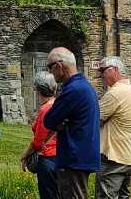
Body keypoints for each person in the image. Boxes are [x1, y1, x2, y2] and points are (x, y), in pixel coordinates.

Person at [42, 47, 100, 199]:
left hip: (74, 158)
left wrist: (61, 122)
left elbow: (49, 120)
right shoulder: (84, 86)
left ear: (59, 66)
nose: (50, 72)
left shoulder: (73, 90)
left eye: (50, 67)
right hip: (81, 156)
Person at [95, 57, 131, 199]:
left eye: (103, 70)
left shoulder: (116, 93)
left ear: (115, 70)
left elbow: (93, 120)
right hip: (128, 158)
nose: (100, 75)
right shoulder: (130, 90)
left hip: (113, 159)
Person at [19, 72, 59, 199]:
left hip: (48, 158)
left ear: (37, 89)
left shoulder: (45, 109)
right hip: (62, 157)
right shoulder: (59, 105)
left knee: (48, 195)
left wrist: (25, 156)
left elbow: (38, 142)